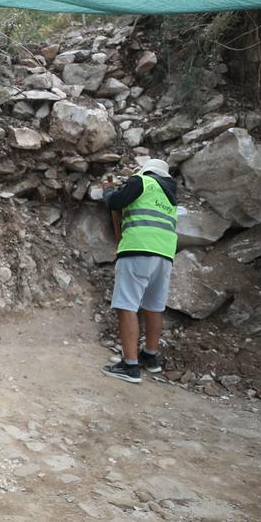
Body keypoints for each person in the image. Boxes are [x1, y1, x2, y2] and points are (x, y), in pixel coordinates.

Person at [101, 158, 178, 384]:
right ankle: (150, 356)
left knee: (127, 305)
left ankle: (130, 365)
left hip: (137, 251)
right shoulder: (170, 197)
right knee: (154, 307)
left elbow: (116, 202)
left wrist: (108, 191)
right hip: (164, 256)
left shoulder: (142, 181)